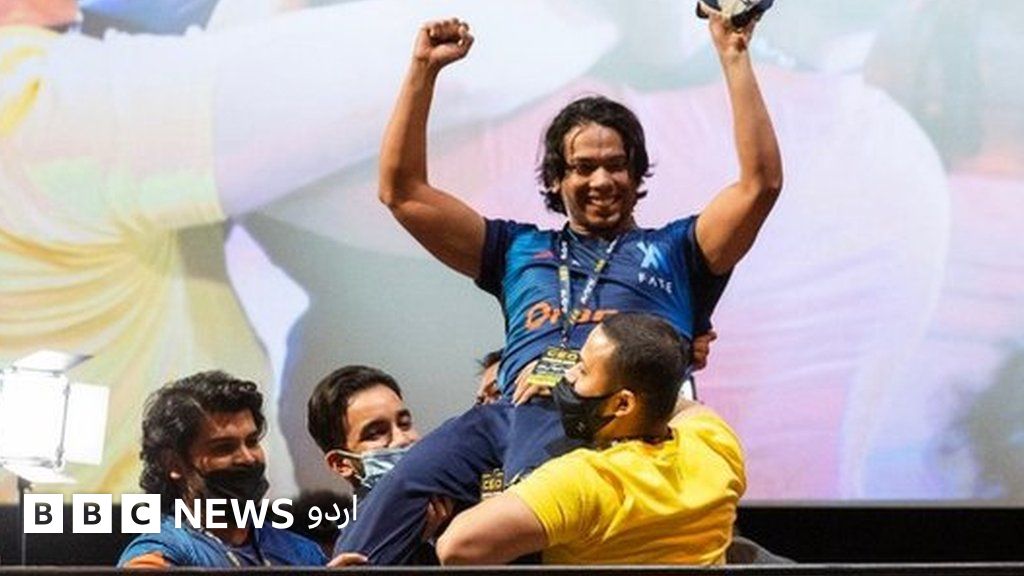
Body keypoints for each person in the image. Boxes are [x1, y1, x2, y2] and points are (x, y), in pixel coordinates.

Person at [338, 8, 781, 563]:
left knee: (518, 517)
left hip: (596, 425)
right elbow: (402, 193)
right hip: (504, 414)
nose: (602, 180)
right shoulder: (517, 250)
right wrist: (423, 71)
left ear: (637, 173)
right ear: (555, 178)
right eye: (583, 167)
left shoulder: (680, 252)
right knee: (404, 483)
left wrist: (733, 54)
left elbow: (760, 186)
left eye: (616, 165)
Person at [437, 313, 744, 565]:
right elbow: (675, 400)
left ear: (622, 404)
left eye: (582, 370)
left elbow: (457, 547)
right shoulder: (714, 444)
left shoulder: (587, 479)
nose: (569, 376)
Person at [117, 371, 326, 568]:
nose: (248, 458)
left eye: (252, 442)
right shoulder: (160, 553)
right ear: (173, 464)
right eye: (224, 448)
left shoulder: (302, 552)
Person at [305, 365, 454, 563]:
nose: (402, 439)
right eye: (376, 433)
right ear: (342, 464)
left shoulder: (455, 498)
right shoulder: (357, 550)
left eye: (404, 423)